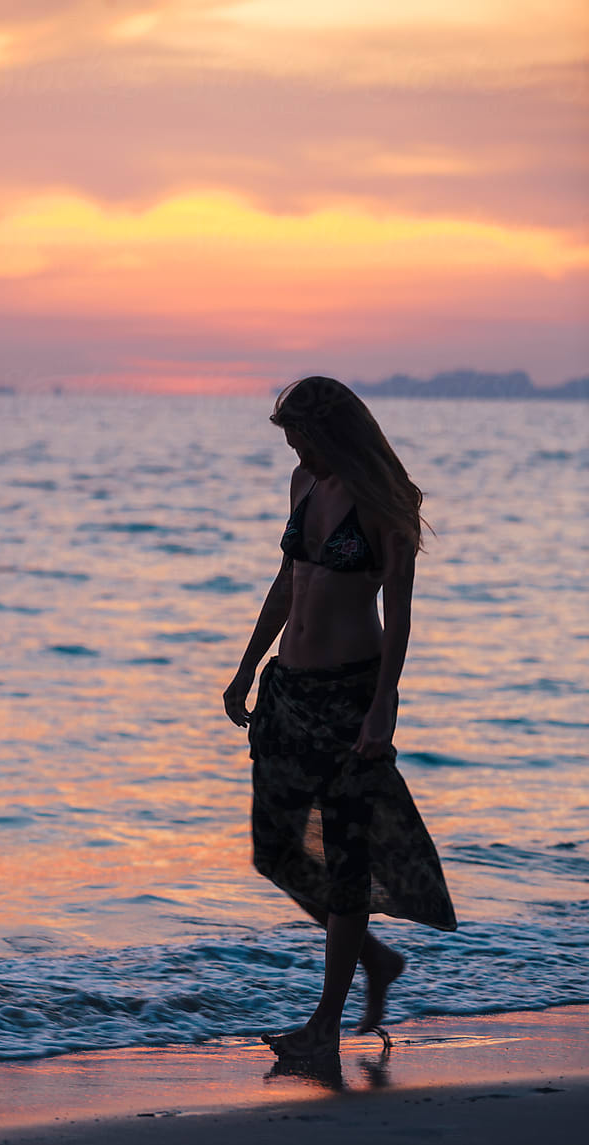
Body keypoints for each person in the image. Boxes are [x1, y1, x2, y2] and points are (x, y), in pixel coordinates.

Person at [223, 376, 457, 1062]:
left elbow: (401, 614)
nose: (292, 445)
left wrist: (385, 701)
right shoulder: (302, 483)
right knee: (277, 849)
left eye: (298, 433)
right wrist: (246, 665)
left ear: (333, 432)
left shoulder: (387, 504)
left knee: (348, 857)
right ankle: (376, 960)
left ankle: (324, 1025)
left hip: (351, 694)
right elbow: (288, 582)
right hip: (288, 690)